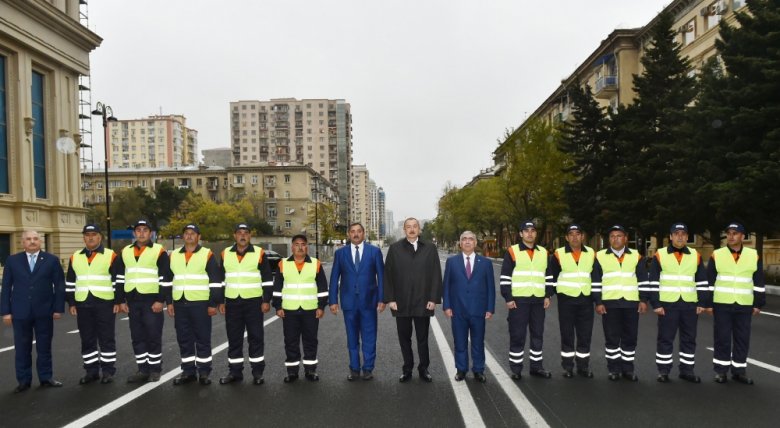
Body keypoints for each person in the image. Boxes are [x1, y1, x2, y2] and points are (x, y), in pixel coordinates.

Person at [1, 230, 65, 392]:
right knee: (22, 348)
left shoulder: (51, 260)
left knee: (44, 347)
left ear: (40, 241)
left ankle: (46, 378)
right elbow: (6, 287)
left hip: (44, 311)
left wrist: (58, 308)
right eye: (28, 239)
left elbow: (59, 285)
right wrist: (6, 311)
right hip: (20, 311)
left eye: (35, 238)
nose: (32, 241)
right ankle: (23, 381)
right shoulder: (12, 260)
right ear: (22, 242)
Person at [384, 217, 442, 383]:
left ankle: (424, 369)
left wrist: (433, 298)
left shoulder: (430, 248)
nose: (411, 229)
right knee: (404, 339)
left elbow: (436, 274)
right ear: (404, 230)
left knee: (423, 339)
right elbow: (388, 275)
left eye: (414, 226)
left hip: (423, 301)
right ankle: (407, 369)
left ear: (419, 229)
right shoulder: (395, 248)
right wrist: (390, 299)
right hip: (401, 302)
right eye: (408, 227)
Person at [649, 223, 708, 383]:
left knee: (689, 339)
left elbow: (702, 281)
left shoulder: (695, 255)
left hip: (690, 304)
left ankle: (687, 370)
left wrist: (702, 302)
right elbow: (653, 282)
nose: (680, 236)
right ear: (671, 236)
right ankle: (663, 371)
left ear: (687, 237)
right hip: (667, 304)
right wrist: (656, 304)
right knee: (665, 339)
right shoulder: (660, 254)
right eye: (676, 233)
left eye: (683, 234)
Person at [707, 222, 765, 384]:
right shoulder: (717, 254)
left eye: (735, 233)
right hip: (722, 304)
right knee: (722, 338)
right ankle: (721, 371)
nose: (731, 236)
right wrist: (708, 303)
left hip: (744, 304)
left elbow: (758, 281)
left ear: (742, 236)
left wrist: (758, 303)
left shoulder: (753, 255)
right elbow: (710, 282)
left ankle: (739, 371)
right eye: (729, 233)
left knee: (742, 338)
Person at [115, 219, 172, 383]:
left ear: (150, 233)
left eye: (145, 230)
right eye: (138, 230)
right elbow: (119, 277)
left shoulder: (159, 251)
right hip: (132, 300)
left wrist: (160, 300)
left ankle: (155, 369)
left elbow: (165, 278)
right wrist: (120, 300)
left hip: (151, 301)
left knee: (153, 335)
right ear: (134, 233)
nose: (141, 233)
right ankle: (142, 369)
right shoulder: (125, 251)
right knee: (137, 336)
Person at [218, 223, 274, 385]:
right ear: (234, 235)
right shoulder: (225, 253)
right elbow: (221, 280)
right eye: (239, 233)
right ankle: (235, 372)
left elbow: (267, 279)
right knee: (234, 338)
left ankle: (257, 373)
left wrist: (266, 300)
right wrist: (220, 301)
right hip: (232, 302)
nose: (242, 236)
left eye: (246, 233)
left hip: (253, 302)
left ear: (250, 236)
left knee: (256, 337)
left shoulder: (259, 253)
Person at [592, 225, 649, 381]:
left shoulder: (636, 256)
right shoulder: (600, 256)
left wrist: (643, 300)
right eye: (612, 236)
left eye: (619, 236)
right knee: (612, 337)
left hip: (631, 303)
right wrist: (598, 302)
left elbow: (643, 280)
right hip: (609, 303)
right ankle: (614, 369)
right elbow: (595, 282)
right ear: (608, 239)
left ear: (625, 238)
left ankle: (628, 369)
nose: (615, 239)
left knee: (630, 337)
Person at [65, 224, 121, 385]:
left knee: (106, 338)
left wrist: (118, 301)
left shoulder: (110, 255)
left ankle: (108, 371)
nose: (90, 237)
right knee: (87, 339)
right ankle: (91, 371)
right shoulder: (75, 257)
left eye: (94, 234)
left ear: (100, 237)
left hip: (105, 303)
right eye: (87, 235)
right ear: (83, 237)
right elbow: (70, 282)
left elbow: (117, 280)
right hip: (83, 303)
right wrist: (71, 302)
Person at [329, 222, 385, 381]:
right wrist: (333, 301)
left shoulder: (374, 252)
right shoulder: (340, 254)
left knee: (369, 337)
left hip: (369, 301)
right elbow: (334, 278)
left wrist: (382, 299)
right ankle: (354, 368)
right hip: (349, 302)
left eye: (359, 231)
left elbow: (382, 277)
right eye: (352, 231)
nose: (356, 234)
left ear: (363, 233)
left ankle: (368, 368)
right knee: (352, 338)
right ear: (348, 234)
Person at [167, 224, 222, 386]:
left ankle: (204, 372)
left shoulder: (207, 254)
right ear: (183, 236)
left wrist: (212, 303)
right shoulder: (174, 255)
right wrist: (169, 302)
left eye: (193, 233)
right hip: (180, 303)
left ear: (199, 237)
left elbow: (215, 281)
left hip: (200, 304)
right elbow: (168, 281)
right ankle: (188, 371)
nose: (189, 236)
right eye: (186, 233)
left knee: (202, 338)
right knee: (184, 339)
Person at [500, 220, 552, 380]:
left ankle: (536, 367)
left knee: (537, 335)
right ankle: (516, 369)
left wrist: (548, 295)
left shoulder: (543, 252)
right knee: (517, 335)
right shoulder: (512, 251)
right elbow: (505, 277)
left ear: (536, 234)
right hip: (519, 301)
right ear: (521, 234)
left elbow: (548, 276)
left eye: (532, 230)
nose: (530, 233)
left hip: (538, 301)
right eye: (526, 230)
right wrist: (508, 298)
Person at [272, 234, 328, 383]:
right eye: (297, 244)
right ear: (292, 247)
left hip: (310, 310)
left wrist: (321, 306)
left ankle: (310, 370)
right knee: (291, 341)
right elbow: (277, 288)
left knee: (310, 341)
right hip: (289, 310)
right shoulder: (283, 264)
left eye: (303, 244)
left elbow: (323, 288)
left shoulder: (315, 263)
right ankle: (292, 372)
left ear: (307, 247)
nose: (300, 247)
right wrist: (278, 306)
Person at [443, 231, 495, 383]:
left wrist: (490, 308)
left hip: (478, 310)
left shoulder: (485, 263)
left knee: (478, 342)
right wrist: (447, 305)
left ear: (475, 243)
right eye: (464, 239)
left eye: (471, 239)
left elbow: (491, 288)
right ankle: (461, 369)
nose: (467, 241)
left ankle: (478, 370)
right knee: (460, 342)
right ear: (460, 243)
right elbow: (446, 286)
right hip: (457, 310)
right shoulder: (452, 262)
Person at [548, 224, 598, 378]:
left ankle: (583, 366)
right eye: (571, 234)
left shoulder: (591, 253)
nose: (575, 237)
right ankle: (568, 366)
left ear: (582, 236)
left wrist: (597, 299)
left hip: (586, 300)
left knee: (585, 335)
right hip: (566, 301)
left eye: (578, 234)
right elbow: (552, 276)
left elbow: (596, 277)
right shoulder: (559, 254)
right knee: (567, 334)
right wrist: (555, 293)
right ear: (567, 237)